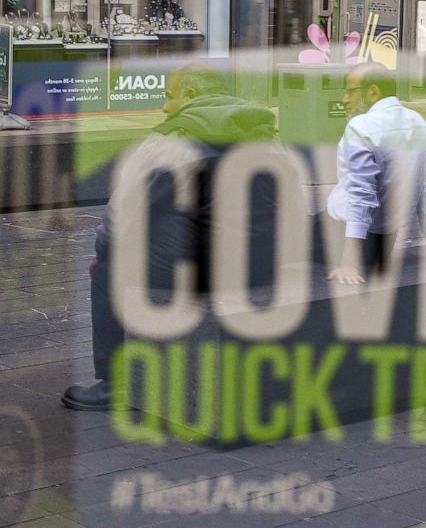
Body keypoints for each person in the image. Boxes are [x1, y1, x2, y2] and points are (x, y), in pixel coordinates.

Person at [62, 65, 276, 410]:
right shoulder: (261, 129)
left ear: (190, 97)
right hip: (260, 263)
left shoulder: (172, 138)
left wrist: (104, 253)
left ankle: (115, 383)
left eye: (169, 97)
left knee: (107, 271)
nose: (164, 107)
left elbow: (124, 211)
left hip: (201, 268)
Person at [326, 63, 426, 285]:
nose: (345, 99)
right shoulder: (418, 123)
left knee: (279, 223)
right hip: (384, 242)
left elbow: (361, 195)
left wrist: (349, 264)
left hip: (341, 235)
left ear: (373, 92)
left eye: (350, 92)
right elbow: (423, 187)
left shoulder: (360, 126)